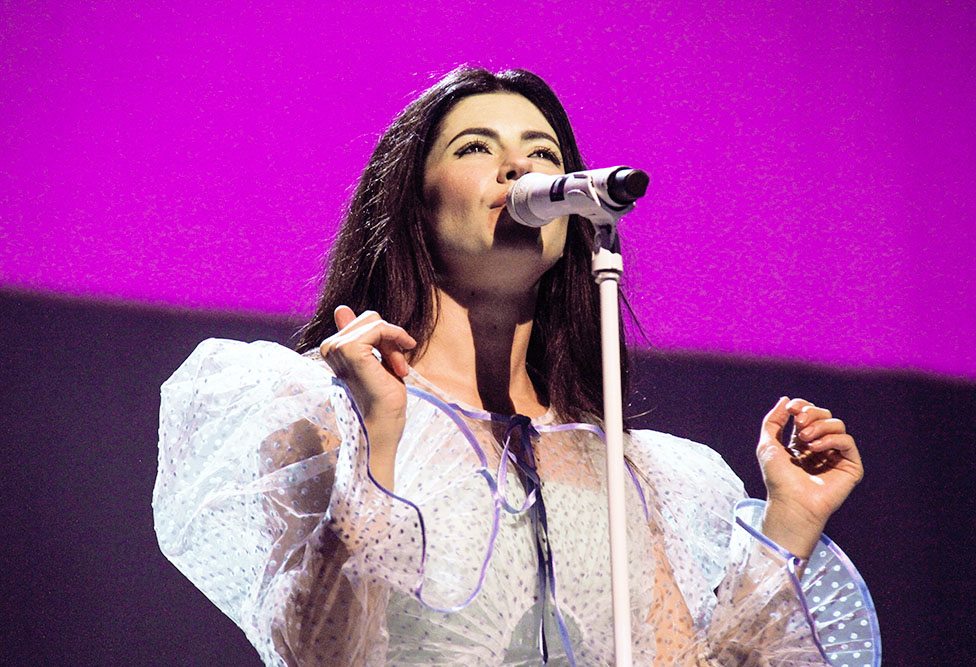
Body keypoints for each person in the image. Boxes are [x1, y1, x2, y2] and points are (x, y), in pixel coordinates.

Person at [153, 68, 879, 666]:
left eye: (544, 152)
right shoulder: (321, 406)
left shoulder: (636, 469)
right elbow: (317, 654)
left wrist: (790, 522)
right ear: (412, 204)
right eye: (475, 147)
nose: (521, 168)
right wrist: (377, 443)